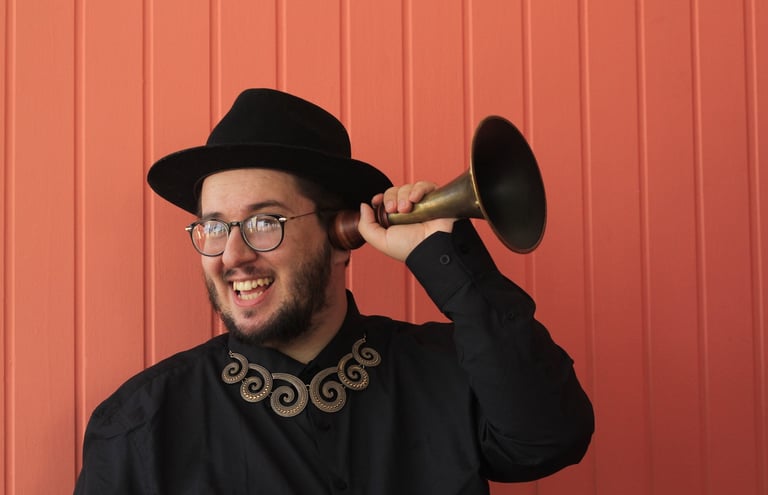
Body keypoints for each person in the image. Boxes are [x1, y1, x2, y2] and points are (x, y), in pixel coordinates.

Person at [74, 88, 594, 494]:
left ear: (341, 237)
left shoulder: (452, 372)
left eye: (265, 222)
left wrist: (441, 253)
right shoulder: (138, 424)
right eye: (213, 228)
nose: (231, 256)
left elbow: (549, 438)